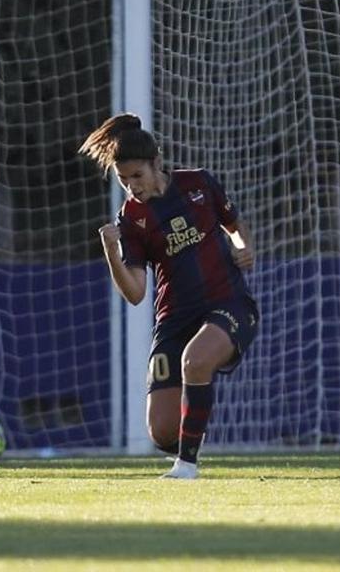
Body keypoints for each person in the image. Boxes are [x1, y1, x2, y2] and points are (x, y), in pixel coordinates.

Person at [79, 113, 258, 479]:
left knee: (195, 361)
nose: (131, 186)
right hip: (175, 318)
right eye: (123, 179)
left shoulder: (199, 183)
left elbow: (235, 228)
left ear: (157, 163)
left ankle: (186, 467)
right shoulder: (130, 218)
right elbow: (135, 293)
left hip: (229, 303)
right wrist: (112, 253)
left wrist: (243, 247)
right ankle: (190, 428)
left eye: (137, 176)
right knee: (162, 431)